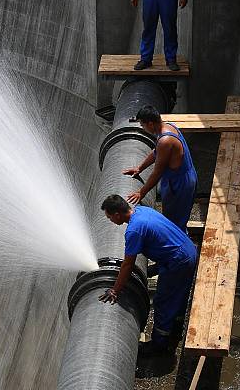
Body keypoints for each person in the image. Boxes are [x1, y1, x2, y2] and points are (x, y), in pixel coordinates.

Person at [98, 195, 197, 356]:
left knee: (163, 300)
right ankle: (176, 328)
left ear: (117, 214)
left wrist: (115, 290)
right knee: (178, 294)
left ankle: (159, 345)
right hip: (187, 250)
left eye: (109, 217)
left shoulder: (134, 230)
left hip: (178, 261)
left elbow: (128, 264)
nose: (110, 220)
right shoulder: (143, 211)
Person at [123, 105, 197, 232]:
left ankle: (182, 247)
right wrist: (139, 168)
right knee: (178, 217)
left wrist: (141, 192)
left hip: (179, 185)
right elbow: (156, 151)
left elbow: (157, 173)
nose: (143, 128)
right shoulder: (168, 127)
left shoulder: (165, 141)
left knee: (174, 223)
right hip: (186, 177)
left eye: (142, 125)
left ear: (150, 124)